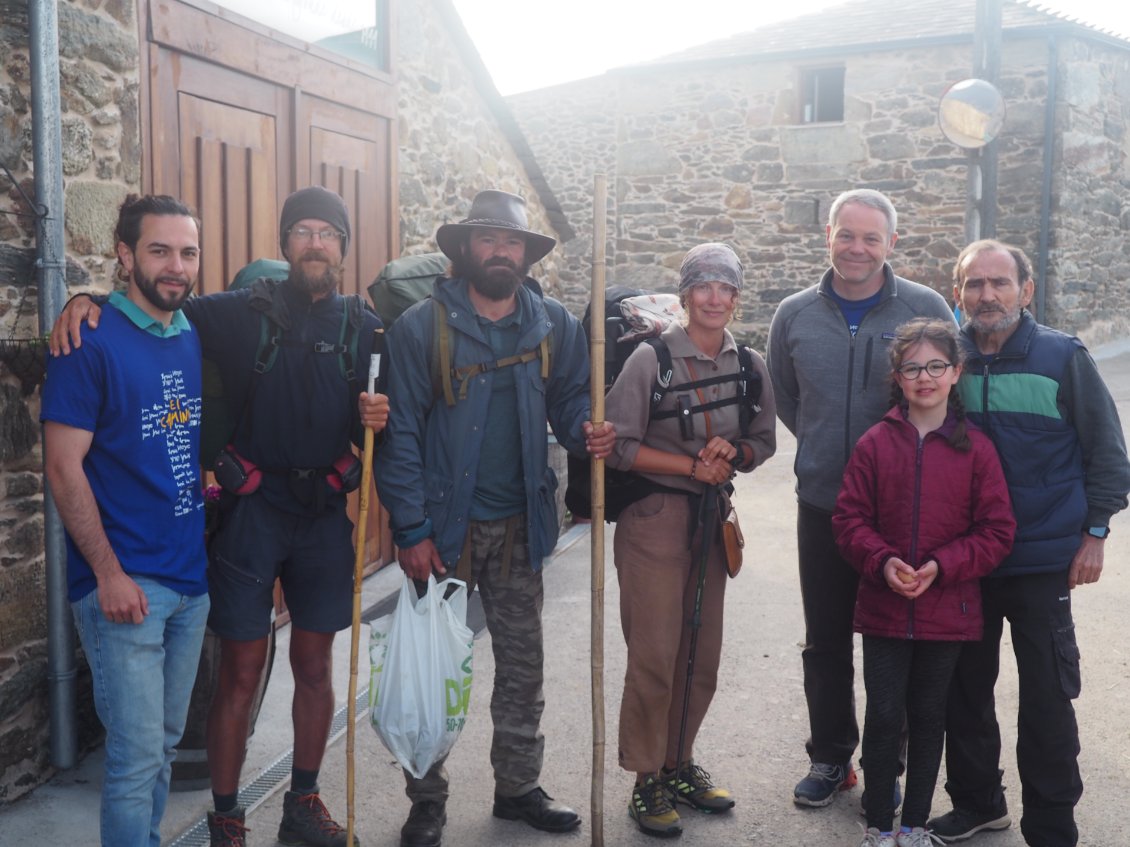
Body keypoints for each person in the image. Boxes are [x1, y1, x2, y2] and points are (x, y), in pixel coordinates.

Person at [50, 186, 389, 847]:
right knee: (231, 676)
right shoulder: (233, 313)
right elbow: (143, 303)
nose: (316, 243)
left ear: (344, 248)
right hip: (245, 518)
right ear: (285, 243)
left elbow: (392, 418)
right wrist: (82, 299)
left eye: (329, 233)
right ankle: (228, 816)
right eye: (303, 231)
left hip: (317, 517)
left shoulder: (366, 326)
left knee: (313, 666)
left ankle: (302, 801)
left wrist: (379, 417)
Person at [375, 189, 615, 847]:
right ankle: (426, 799)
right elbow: (397, 438)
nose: (501, 251)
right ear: (464, 249)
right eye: (488, 239)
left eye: (512, 242)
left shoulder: (554, 324)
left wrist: (586, 432)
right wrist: (411, 530)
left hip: (520, 525)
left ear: (525, 254)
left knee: (522, 667)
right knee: (434, 674)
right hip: (443, 530)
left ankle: (517, 787)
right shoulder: (421, 328)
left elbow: (566, 404)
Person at [926, 240, 1130, 846]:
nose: (987, 295)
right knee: (964, 688)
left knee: (1046, 693)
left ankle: (1050, 819)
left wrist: (1095, 534)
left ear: (1026, 290)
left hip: (1043, 558)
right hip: (965, 561)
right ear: (956, 291)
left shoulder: (1060, 356)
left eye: (1000, 283)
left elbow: (1109, 456)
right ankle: (978, 804)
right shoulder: (945, 362)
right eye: (974, 284)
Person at [765, 188, 954, 809]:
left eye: (871, 238)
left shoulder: (923, 307)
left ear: (890, 244)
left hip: (902, 510)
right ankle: (830, 757)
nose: (857, 248)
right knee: (825, 639)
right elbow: (789, 400)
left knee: (894, 638)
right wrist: (824, 451)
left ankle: (887, 761)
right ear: (828, 235)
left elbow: (948, 393)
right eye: (847, 235)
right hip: (822, 504)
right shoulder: (794, 314)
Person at [42, 194, 211, 847]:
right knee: (135, 759)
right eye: (159, 249)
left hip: (188, 583)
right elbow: (63, 468)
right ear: (124, 254)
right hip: (123, 588)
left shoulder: (190, 330)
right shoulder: (86, 339)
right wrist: (108, 573)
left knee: (163, 748)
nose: (175, 265)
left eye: (187, 251)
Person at [604, 243, 776, 837]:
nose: (714, 298)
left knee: (700, 656)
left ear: (735, 296)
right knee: (654, 654)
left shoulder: (750, 363)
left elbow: (763, 440)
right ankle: (645, 778)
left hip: (710, 525)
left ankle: (678, 763)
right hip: (653, 521)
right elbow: (619, 445)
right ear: (684, 296)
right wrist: (690, 469)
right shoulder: (649, 360)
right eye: (702, 286)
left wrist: (736, 452)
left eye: (725, 287)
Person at [832, 318, 1015, 847]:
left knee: (930, 716)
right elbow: (848, 520)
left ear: (956, 372)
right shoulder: (874, 444)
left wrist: (943, 566)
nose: (925, 377)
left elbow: (997, 530)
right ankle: (877, 825)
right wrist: (883, 561)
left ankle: (913, 825)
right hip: (884, 608)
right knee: (885, 716)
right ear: (898, 376)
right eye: (912, 367)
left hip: (948, 609)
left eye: (936, 366)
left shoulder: (976, 450)